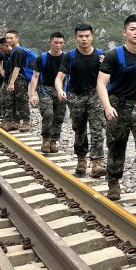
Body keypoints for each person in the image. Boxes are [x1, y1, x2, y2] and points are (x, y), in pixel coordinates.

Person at [97, 14, 136, 204]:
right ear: (125, 32)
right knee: (115, 145)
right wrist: (107, 107)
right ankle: (113, 183)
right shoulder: (114, 55)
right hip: (118, 106)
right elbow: (101, 83)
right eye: (132, 29)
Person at [55, 24, 106, 178]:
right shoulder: (69, 56)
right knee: (79, 129)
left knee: (97, 129)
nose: (84, 39)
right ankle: (81, 159)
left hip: (95, 96)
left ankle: (97, 163)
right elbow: (59, 78)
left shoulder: (100, 55)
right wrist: (59, 90)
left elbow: (109, 77)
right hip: (75, 96)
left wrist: (105, 66)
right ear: (76, 38)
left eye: (87, 36)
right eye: (81, 36)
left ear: (92, 37)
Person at [29, 32, 67, 153]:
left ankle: (54, 140)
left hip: (62, 90)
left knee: (59, 116)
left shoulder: (67, 58)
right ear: (50, 42)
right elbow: (35, 77)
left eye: (60, 43)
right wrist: (32, 94)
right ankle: (46, 139)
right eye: (55, 42)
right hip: (45, 89)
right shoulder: (42, 58)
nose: (58, 45)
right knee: (48, 114)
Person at [1, 30, 32, 131]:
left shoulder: (18, 51)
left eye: (11, 38)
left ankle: (26, 122)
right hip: (14, 78)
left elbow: (17, 68)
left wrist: (11, 83)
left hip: (19, 78)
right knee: (11, 100)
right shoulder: (13, 50)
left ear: (17, 38)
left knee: (21, 100)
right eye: (7, 38)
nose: (9, 40)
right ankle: (15, 122)